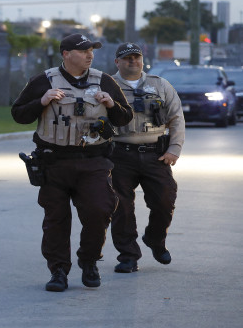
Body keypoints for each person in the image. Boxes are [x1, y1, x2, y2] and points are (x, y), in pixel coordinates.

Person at [11, 33, 133, 292]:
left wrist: (112, 105)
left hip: (93, 161)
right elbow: (19, 114)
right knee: (56, 220)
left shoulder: (104, 80)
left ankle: (89, 261)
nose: (90, 55)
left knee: (99, 210)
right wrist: (41, 101)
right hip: (53, 163)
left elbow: (125, 118)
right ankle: (58, 271)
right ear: (66, 54)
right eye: (83, 50)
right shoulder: (44, 80)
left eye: (92, 50)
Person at [110, 43, 185, 274]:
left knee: (165, 200)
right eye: (127, 58)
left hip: (156, 154)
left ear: (142, 60)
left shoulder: (160, 85)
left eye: (137, 57)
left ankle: (155, 238)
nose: (133, 61)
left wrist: (174, 149)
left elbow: (176, 117)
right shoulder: (106, 86)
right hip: (119, 154)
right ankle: (128, 256)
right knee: (121, 208)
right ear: (117, 62)